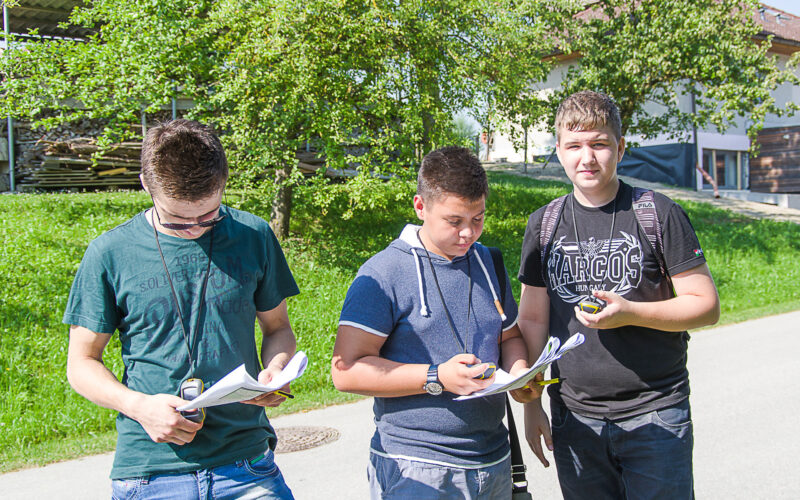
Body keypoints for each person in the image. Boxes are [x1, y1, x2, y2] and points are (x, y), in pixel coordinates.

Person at [64, 119, 299, 499]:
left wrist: (275, 369)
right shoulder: (109, 253)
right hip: (151, 472)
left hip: (246, 464)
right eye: (177, 219)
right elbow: (81, 363)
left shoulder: (253, 236)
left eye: (208, 216)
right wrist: (139, 406)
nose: (194, 227)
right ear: (145, 184)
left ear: (222, 183)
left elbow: (277, 329)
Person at [517, 90, 721, 499]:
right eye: (574, 145)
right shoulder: (544, 225)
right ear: (558, 150)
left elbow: (705, 305)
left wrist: (631, 313)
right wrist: (531, 402)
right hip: (574, 417)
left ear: (621, 148)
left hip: (656, 414)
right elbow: (534, 319)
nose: (586, 158)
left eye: (599, 144)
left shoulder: (657, 212)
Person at [331, 146, 541, 500]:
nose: (468, 234)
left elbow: (510, 336)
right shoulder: (384, 273)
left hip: (493, 461)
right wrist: (437, 377)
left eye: (478, 219)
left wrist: (518, 373)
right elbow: (346, 371)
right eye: (454, 221)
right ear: (420, 206)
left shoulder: (489, 262)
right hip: (417, 467)